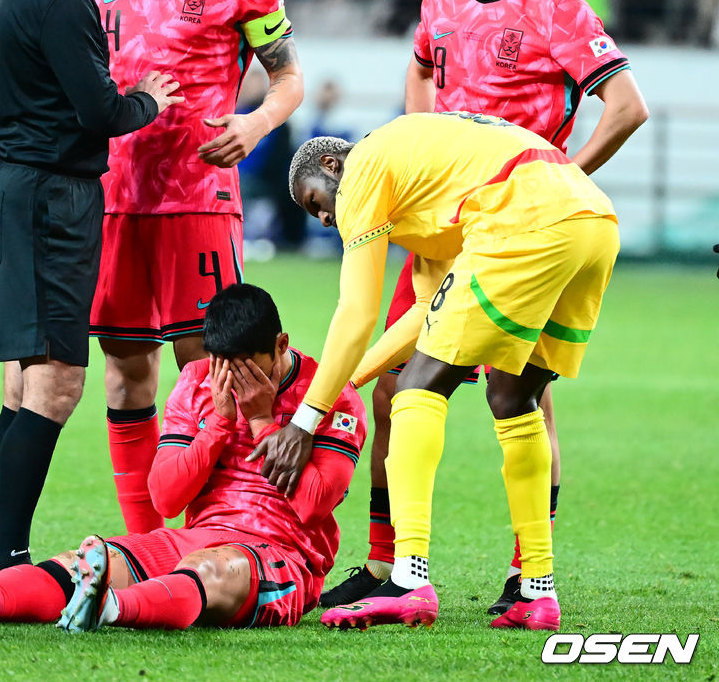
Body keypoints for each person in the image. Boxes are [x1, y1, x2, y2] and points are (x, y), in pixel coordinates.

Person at [317, 0, 648, 616]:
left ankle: (521, 574)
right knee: (394, 387)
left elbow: (626, 105)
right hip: (443, 227)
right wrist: (422, 142)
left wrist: (562, 177)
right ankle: (385, 561)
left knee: (517, 394)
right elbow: (422, 72)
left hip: (519, 229)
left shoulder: (555, 5)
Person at [255, 111, 620, 631]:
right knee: (514, 399)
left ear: (332, 166)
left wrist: (304, 420)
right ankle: (537, 592)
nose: (321, 220)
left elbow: (357, 313)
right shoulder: (427, 197)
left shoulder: (363, 171)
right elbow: (424, 313)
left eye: (315, 202)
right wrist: (343, 386)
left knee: (416, 389)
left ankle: (409, 580)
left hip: (523, 218)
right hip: (590, 222)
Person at [77, 0, 304, 538]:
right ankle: (147, 543)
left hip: (198, 199)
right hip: (112, 197)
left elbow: (288, 79)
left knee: (215, 371)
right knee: (123, 372)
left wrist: (257, 124)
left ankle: (223, 531)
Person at [0, 284, 367, 631]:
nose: (232, 380)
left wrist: (264, 420)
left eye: (248, 366)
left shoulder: (331, 397)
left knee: (208, 569)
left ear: (282, 345)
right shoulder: (197, 380)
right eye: (221, 366)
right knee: (94, 560)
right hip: (195, 536)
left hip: (283, 556)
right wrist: (219, 426)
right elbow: (166, 499)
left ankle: (109, 607)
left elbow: (312, 506)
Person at [0, 0, 183, 579]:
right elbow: (102, 112)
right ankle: (9, 559)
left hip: (8, 193)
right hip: (49, 203)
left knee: (23, 384)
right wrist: (149, 98)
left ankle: (6, 559)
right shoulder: (66, 2)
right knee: (58, 383)